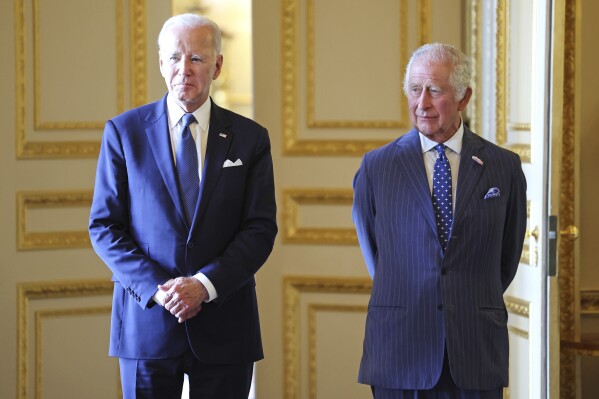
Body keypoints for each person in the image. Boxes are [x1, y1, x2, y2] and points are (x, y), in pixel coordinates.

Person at [89, 13, 277, 399]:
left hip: (226, 325)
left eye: (196, 59)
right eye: (174, 58)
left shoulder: (251, 139)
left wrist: (203, 286)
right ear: (161, 63)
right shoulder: (123, 133)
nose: (183, 69)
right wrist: (163, 291)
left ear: (217, 66)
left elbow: (259, 228)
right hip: (147, 326)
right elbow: (105, 228)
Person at [352, 43, 527, 399]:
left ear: (464, 98)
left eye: (435, 90)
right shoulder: (377, 167)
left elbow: (506, 258)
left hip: (475, 349)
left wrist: (464, 295)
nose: (422, 103)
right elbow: (376, 256)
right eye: (415, 90)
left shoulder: (503, 167)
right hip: (400, 348)